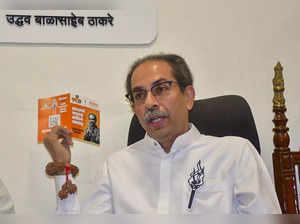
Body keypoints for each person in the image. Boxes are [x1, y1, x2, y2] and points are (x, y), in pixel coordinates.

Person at [43, 53, 281, 214]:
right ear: (134, 108)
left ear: (188, 97)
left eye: (161, 89)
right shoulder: (115, 168)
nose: (149, 103)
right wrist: (62, 169)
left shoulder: (236, 154)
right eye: (139, 95)